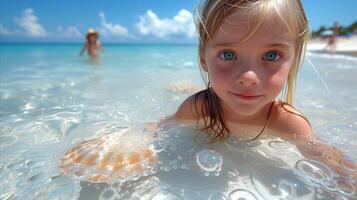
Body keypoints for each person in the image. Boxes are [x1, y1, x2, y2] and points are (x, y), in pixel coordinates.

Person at [61, 0, 356, 183]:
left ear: (294, 59)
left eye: (271, 56)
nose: (249, 77)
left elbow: (330, 161)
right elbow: (162, 126)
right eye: (228, 55)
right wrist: (122, 143)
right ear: (204, 58)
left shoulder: (289, 122)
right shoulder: (198, 107)